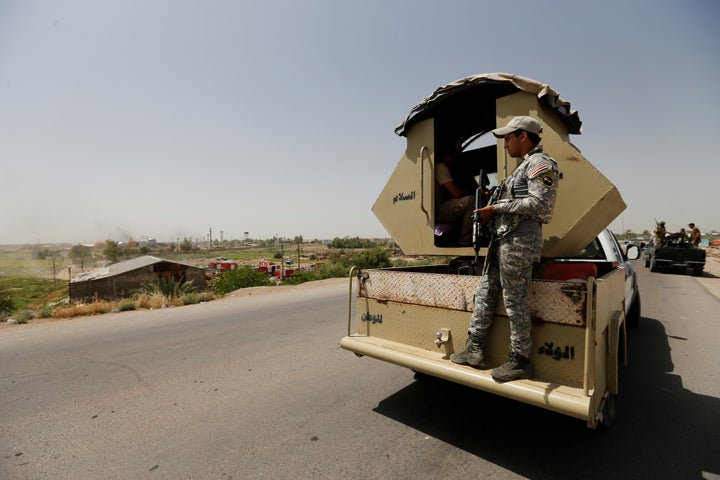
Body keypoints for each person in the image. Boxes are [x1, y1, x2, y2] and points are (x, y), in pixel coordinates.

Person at [450, 116, 559, 382]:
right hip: (504, 240)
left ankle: (520, 360)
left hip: (520, 242)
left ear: (524, 136)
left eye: (508, 138)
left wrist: (496, 208)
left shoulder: (541, 164)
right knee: (485, 291)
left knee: (514, 301)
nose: (505, 144)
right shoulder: (522, 167)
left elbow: (542, 205)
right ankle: (474, 348)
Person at [435, 151, 475, 245]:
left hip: (439, 208)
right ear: (446, 157)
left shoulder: (446, 169)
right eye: (454, 157)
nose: (455, 160)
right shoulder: (440, 167)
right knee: (471, 200)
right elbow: (457, 194)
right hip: (437, 210)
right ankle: (465, 242)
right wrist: (471, 191)